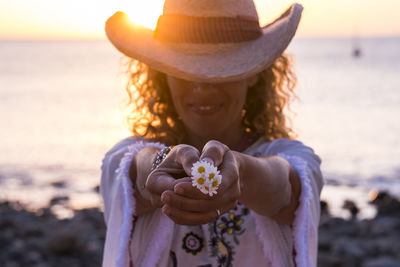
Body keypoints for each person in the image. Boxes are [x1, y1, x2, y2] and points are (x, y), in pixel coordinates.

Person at [100, 0, 323, 266]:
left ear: (253, 73)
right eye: (185, 70)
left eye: (222, 70)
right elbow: (132, 171)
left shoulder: (292, 158)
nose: (202, 87)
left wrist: (240, 172)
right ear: (163, 75)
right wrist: (162, 164)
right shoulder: (123, 160)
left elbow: (286, 186)